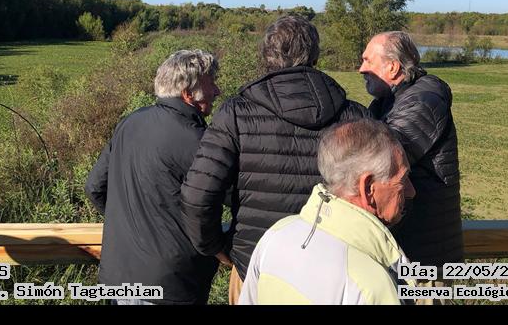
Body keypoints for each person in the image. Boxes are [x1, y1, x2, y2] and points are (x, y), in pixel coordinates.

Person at [180, 15, 369, 305]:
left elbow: (197, 196)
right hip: (334, 271)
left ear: (267, 56)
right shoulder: (355, 115)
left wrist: (220, 250)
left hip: (256, 267)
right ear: (314, 55)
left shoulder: (236, 113)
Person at [85, 49, 222, 305]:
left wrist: (131, 227)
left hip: (119, 278)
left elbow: (94, 187)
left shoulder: (130, 123)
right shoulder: (197, 140)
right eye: (211, 83)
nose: (217, 91)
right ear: (187, 94)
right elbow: (227, 196)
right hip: (170, 284)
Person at [238, 119, 417, 305]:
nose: (411, 191)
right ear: (368, 188)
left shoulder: (275, 234)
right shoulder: (372, 285)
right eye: (403, 179)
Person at [358, 31, 464, 305]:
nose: (361, 69)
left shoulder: (423, 102)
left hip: (426, 258)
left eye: (368, 60)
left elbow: (383, 157)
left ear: (392, 67)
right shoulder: (389, 101)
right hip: (409, 249)